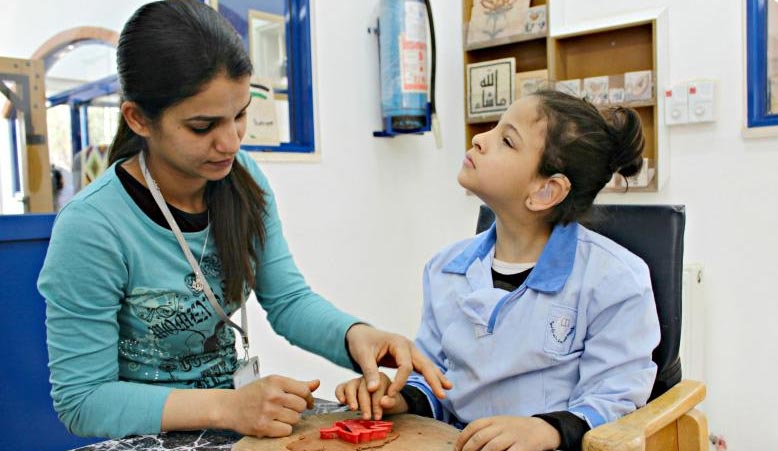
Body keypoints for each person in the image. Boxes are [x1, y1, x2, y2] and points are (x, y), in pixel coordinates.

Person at [38, 0, 449, 440]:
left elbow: (288, 300)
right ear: (139, 119)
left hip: (236, 424)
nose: (231, 142)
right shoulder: (92, 228)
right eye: (202, 126)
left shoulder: (243, 178)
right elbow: (83, 400)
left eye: (240, 115)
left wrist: (357, 336)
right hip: (150, 435)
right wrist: (228, 406)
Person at [335, 90, 661, 451]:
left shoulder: (614, 280)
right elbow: (434, 378)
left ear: (545, 191)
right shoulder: (445, 269)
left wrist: (545, 430)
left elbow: (613, 400)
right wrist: (398, 398)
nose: (479, 138)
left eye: (506, 139)